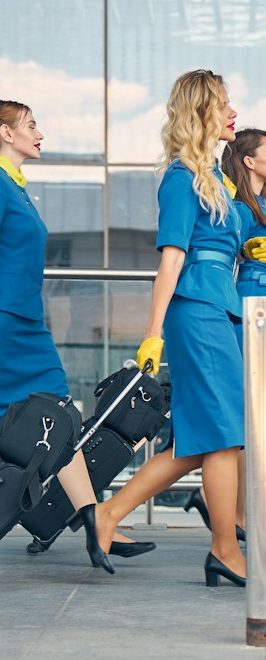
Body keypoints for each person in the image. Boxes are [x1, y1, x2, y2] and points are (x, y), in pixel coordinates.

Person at [95, 69, 266, 588]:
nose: (233, 113)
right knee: (225, 436)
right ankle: (223, 547)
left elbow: (211, 244)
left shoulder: (214, 178)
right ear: (200, 113)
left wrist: (244, 248)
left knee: (201, 439)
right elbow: (172, 259)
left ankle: (107, 515)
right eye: (223, 105)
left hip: (217, 309)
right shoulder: (180, 178)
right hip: (194, 312)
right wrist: (152, 334)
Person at [0, 100, 152, 573]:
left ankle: (92, 519)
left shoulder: (17, 189)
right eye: (30, 125)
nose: (39, 133)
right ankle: (92, 520)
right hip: (5, 319)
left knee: (58, 416)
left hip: (25, 320)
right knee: (50, 414)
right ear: (5, 133)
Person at [182, 127, 266, 540]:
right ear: (249, 160)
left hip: (263, 318)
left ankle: (229, 507)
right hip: (249, 318)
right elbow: (224, 255)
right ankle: (236, 512)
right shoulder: (240, 210)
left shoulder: (254, 206)